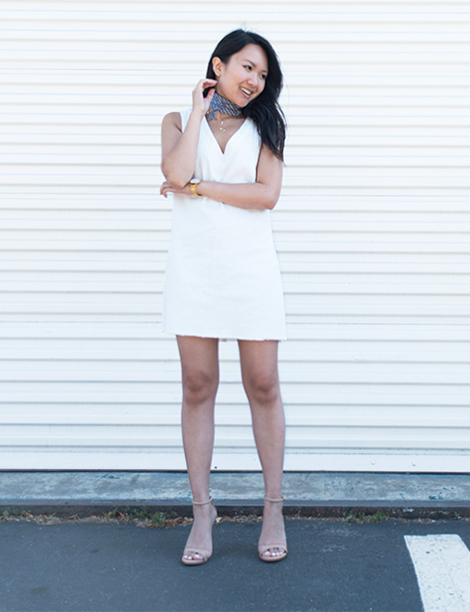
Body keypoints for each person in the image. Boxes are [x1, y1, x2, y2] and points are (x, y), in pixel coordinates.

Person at [159, 29, 289, 566]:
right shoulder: (176, 121)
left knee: (262, 383)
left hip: (250, 268)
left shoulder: (268, 126)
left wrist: (197, 189)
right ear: (220, 64)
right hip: (194, 267)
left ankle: (274, 508)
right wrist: (197, 108)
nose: (255, 81)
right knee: (197, 385)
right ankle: (201, 510)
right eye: (247, 68)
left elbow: (266, 195)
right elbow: (173, 169)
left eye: (262, 75)